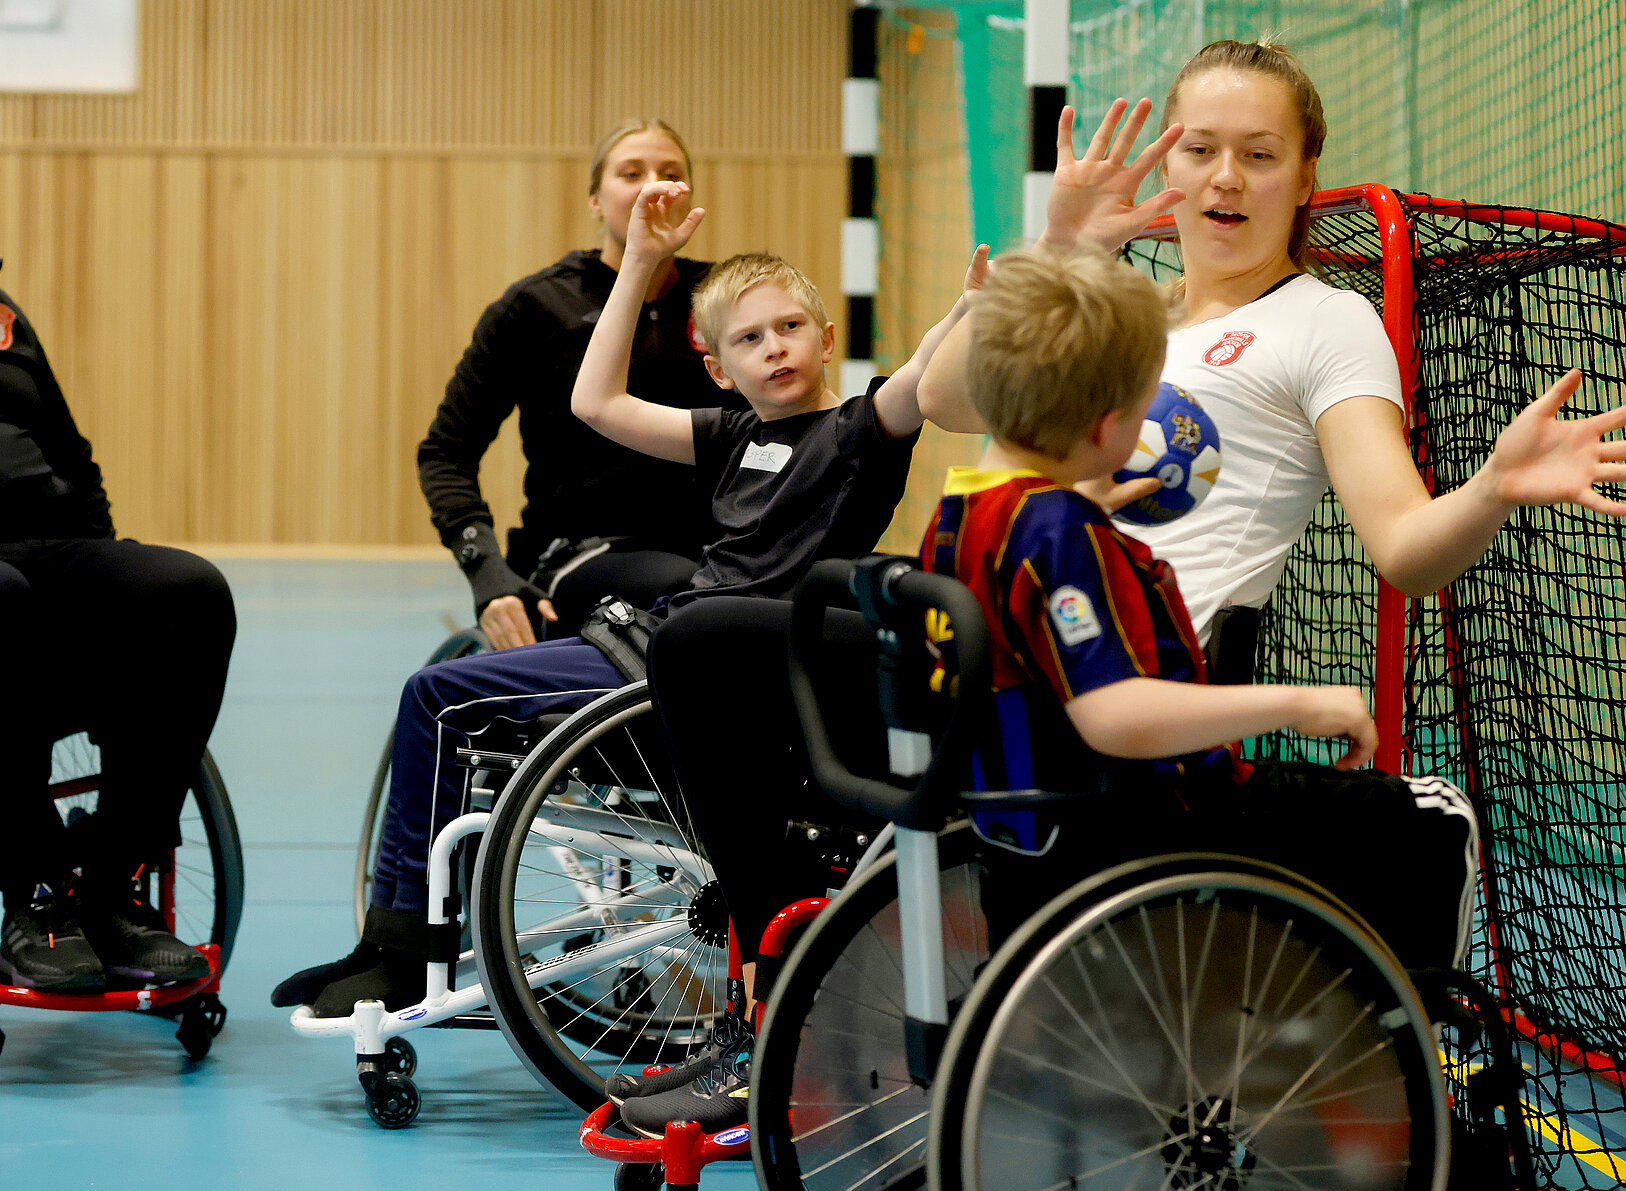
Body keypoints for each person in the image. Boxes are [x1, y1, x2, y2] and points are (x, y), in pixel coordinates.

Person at [273, 180, 974, 1069]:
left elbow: (916, 377)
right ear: (719, 367)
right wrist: (640, 260)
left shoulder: (855, 433)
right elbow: (595, 402)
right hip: (654, 647)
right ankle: (393, 941)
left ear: (826, 336)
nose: (774, 349)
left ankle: (405, 951)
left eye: (790, 327)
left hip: (716, 678)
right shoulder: (725, 434)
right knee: (438, 688)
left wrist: (964, 310)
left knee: (443, 703)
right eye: (749, 339)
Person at [918, 45, 1626, 678]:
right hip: (994, 647)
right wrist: (1061, 248)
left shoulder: (1327, 321)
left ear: (1306, 176)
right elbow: (949, 402)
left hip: (1131, 681)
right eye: (1201, 150)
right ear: (1166, 169)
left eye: (1259, 155)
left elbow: (1404, 549)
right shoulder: (1124, 312)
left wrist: (1494, 487)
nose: (1226, 177)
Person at [922, 242, 1476, 969]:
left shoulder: (958, 518)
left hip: (1020, 836)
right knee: (1435, 816)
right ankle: (1406, 1057)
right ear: (1103, 430)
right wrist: (1294, 703)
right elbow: (1115, 715)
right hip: (1144, 825)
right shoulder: (1063, 536)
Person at [417, 119, 736, 651]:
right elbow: (446, 452)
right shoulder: (537, 307)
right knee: (687, 596)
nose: (651, 186)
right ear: (595, 199)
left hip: (717, 545)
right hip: (580, 552)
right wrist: (486, 572)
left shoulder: (730, 298)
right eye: (631, 172)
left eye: (671, 174)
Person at [0, 277, 236, 991]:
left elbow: (67, 450)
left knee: (186, 592)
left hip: (45, 545)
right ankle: (37, 896)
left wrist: (106, 567)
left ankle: (111, 893)